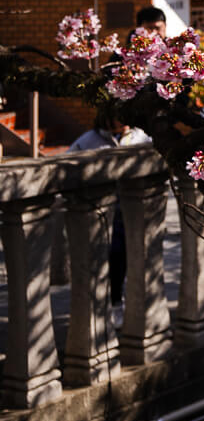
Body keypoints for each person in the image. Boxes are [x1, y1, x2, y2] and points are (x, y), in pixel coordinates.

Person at [69, 110, 151, 308]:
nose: (121, 122)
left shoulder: (140, 137)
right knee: (109, 253)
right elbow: (69, 164)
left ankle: (120, 298)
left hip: (131, 205)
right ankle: (110, 299)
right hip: (102, 206)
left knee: (130, 253)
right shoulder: (89, 140)